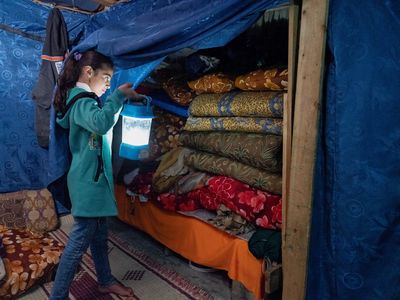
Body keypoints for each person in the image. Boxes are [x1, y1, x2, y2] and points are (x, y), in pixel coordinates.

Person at [50, 50, 141, 300]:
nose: (108, 85)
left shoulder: (84, 99)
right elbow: (101, 123)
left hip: (94, 180)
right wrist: (119, 96)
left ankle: (105, 281)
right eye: (107, 78)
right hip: (88, 183)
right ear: (88, 72)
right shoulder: (81, 101)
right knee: (78, 243)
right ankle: (57, 296)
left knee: (99, 236)